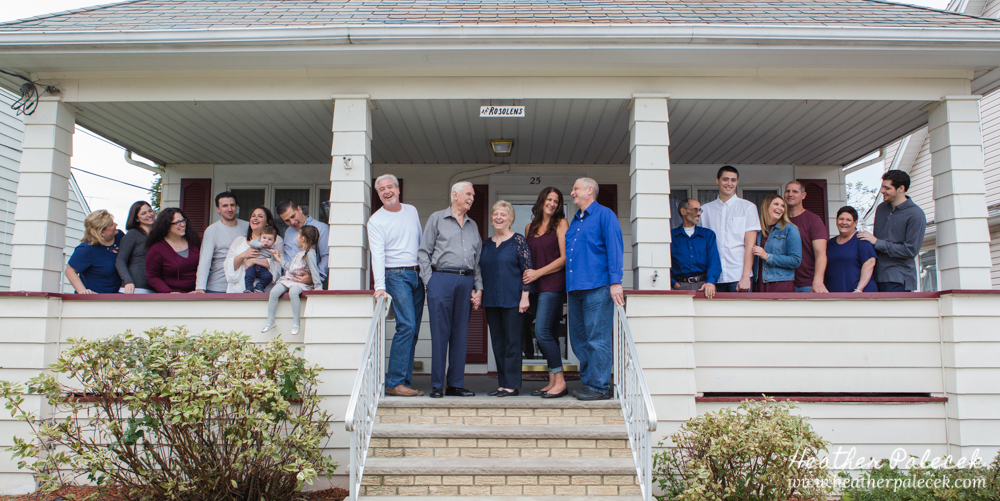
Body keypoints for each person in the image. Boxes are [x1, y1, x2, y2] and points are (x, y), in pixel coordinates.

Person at [418, 181, 483, 398]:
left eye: (473, 195)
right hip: (441, 280)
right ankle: (437, 385)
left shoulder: (473, 225)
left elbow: (477, 261)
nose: (472, 198)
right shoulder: (437, 218)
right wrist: (430, 282)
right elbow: (423, 252)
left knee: (460, 335)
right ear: (455, 195)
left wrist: (478, 288)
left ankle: (455, 384)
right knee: (440, 334)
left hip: (465, 282)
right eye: (468, 194)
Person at [565, 177, 624, 401]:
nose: (572, 193)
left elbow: (615, 248)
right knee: (579, 339)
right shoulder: (575, 221)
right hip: (575, 288)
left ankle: (599, 386)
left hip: (597, 286)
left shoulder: (604, 215)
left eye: (576, 188)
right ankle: (589, 381)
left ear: (590, 190)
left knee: (597, 338)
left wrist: (615, 282)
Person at [368, 174, 425, 397]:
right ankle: (394, 382)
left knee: (414, 330)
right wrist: (379, 286)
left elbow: (420, 242)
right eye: (381, 189)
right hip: (396, 275)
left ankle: (404, 382)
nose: (386, 191)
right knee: (407, 325)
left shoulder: (411, 211)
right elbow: (377, 255)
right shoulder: (376, 220)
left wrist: (426, 271)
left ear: (398, 189)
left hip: (416, 274)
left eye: (389, 186)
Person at [481, 200, 533, 398]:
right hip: (492, 300)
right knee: (498, 343)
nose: (498, 217)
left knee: (512, 343)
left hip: (513, 299)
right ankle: (503, 384)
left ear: (510, 220)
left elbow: (527, 271)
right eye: (495, 214)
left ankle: (512, 384)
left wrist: (525, 296)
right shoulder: (486, 243)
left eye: (503, 214)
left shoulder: (518, 241)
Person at [523, 187, 569, 398]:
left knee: (541, 332)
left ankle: (560, 380)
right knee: (548, 333)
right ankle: (552, 380)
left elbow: (563, 259)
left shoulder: (561, 224)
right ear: (542, 201)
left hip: (552, 285)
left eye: (556, 201)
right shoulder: (529, 228)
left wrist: (537, 273)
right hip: (535, 288)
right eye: (549, 199)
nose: (552, 203)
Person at [858, 170, 926, 292]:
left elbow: (910, 250)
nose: (882, 191)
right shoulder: (881, 209)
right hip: (874, 275)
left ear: (901, 188)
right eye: (882, 187)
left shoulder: (916, 215)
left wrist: (877, 242)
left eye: (887, 188)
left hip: (897, 278)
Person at [700, 166, 760, 292]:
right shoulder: (705, 210)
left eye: (733, 180)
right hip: (713, 277)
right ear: (717, 180)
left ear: (737, 182)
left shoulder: (748, 207)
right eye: (725, 179)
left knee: (741, 312)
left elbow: (750, 245)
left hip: (738, 275)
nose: (729, 183)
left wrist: (745, 276)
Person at [263, 225, 322, 336]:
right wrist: (278, 259)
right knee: (274, 292)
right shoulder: (299, 253)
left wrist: (318, 287)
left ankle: (296, 322)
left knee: (294, 292)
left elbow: (314, 270)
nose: (296, 238)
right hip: (289, 279)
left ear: (303, 239)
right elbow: (291, 267)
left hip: (300, 283)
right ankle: (270, 320)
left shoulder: (309, 254)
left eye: (298, 235)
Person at [224, 206, 286, 293]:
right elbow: (228, 267)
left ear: (268, 222)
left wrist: (254, 261)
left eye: (260, 216)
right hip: (237, 293)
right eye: (253, 216)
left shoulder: (276, 240)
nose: (255, 218)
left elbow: (279, 267)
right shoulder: (239, 241)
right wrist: (244, 255)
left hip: (263, 295)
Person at [196, 192, 249, 293]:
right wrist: (200, 287)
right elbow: (205, 261)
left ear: (237, 207)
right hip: (218, 287)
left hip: (242, 287)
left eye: (232, 205)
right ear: (217, 209)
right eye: (225, 206)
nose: (230, 209)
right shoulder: (212, 230)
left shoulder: (247, 227)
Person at [670, 199, 721, 299]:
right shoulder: (671, 236)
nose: (699, 213)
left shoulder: (707, 235)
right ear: (683, 211)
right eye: (695, 210)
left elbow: (714, 261)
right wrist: (674, 283)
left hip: (704, 286)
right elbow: (664, 263)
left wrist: (710, 282)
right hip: (680, 286)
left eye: (700, 210)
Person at [783, 181, 829, 293]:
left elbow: (821, 253)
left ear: (803, 195)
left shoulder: (813, 220)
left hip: (806, 284)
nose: (790, 194)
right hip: (783, 281)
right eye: (787, 191)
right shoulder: (779, 220)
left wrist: (818, 280)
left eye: (795, 191)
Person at [751, 195, 802, 292]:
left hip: (780, 283)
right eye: (776, 204)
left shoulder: (790, 229)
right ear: (766, 207)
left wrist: (767, 256)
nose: (780, 208)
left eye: (783, 206)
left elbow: (795, 260)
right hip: (758, 283)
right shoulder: (757, 229)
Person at [66, 209, 124, 294]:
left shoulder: (119, 236)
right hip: (95, 300)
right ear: (102, 231)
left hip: (116, 298)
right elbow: (70, 271)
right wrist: (82, 290)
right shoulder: (86, 249)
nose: (116, 225)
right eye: (111, 224)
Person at [145, 208, 201, 293]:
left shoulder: (193, 241)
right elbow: (152, 276)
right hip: (172, 298)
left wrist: (200, 289)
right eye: (178, 222)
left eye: (183, 221)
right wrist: (168, 292)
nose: (183, 225)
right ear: (167, 225)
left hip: (197, 294)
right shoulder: (156, 249)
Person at [277, 199, 330, 288]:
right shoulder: (288, 232)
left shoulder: (321, 228)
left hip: (309, 287)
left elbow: (326, 257)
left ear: (299, 209)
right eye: (287, 220)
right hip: (287, 284)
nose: (292, 222)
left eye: (293, 216)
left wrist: (313, 279)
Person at [825, 206, 877, 293]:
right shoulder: (830, 244)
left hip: (859, 295)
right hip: (835, 295)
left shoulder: (862, 241)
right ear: (836, 221)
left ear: (855, 223)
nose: (844, 222)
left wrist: (859, 290)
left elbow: (869, 263)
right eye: (841, 219)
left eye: (849, 220)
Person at [116, 201, 155, 294]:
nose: (149, 215)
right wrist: (128, 281)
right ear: (136, 218)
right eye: (143, 213)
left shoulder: (157, 236)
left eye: (150, 211)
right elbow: (120, 261)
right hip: (134, 289)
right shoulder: (133, 234)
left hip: (153, 290)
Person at [244, 226, 279, 293]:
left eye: (269, 239)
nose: (266, 240)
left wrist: (274, 253)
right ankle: (249, 288)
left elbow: (274, 261)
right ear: (260, 238)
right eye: (264, 238)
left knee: (268, 276)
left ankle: (260, 286)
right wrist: (261, 244)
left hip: (263, 267)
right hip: (253, 266)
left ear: (274, 242)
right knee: (249, 275)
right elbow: (252, 243)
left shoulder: (273, 248)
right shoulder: (257, 243)